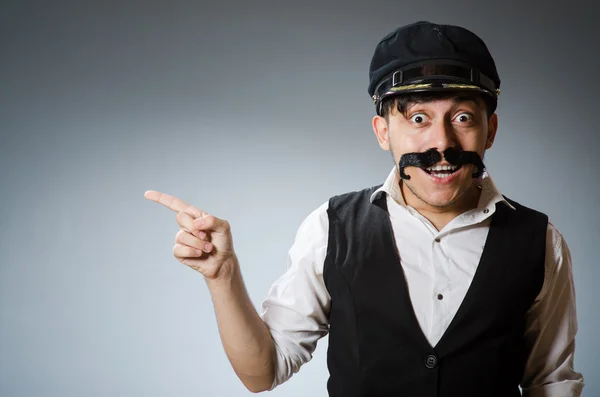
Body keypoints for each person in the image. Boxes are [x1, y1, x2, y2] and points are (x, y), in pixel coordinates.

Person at [145, 21, 584, 396]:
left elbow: (552, 383)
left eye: (463, 117)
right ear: (382, 131)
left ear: (490, 130)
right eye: (417, 119)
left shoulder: (541, 241)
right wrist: (223, 276)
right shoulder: (331, 227)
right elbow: (263, 372)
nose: (442, 143)